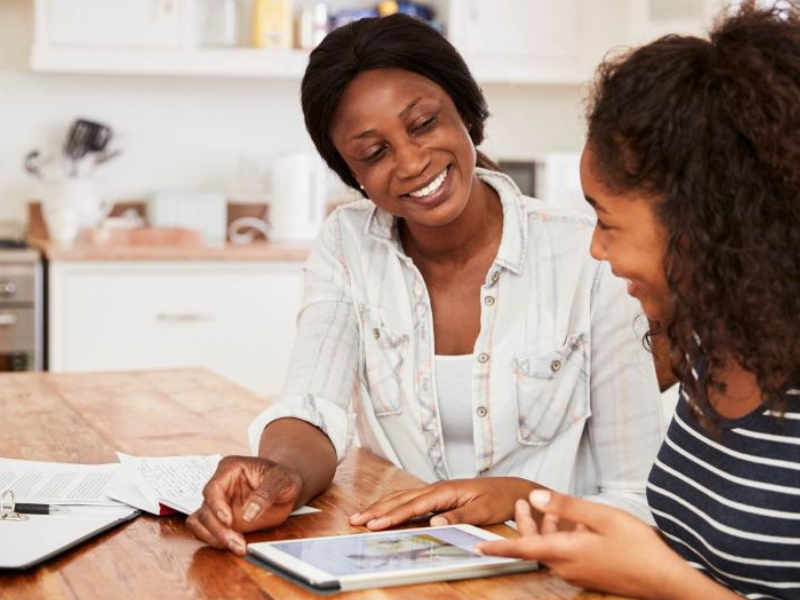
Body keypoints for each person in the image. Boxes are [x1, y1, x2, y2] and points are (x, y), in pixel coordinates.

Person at [186, 14, 665, 555]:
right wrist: (282, 473)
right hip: (399, 562)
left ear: (465, 110)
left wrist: (522, 501)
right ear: (352, 175)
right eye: (374, 153)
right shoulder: (348, 242)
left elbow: (637, 499)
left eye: (423, 124)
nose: (412, 162)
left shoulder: (587, 256)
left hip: (555, 572)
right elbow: (314, 405)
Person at [477, 3, 800, 599]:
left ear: (701, 222)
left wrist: (663, 580)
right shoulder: (714, 344)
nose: (596, 249)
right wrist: (552, 512)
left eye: (607, 222)